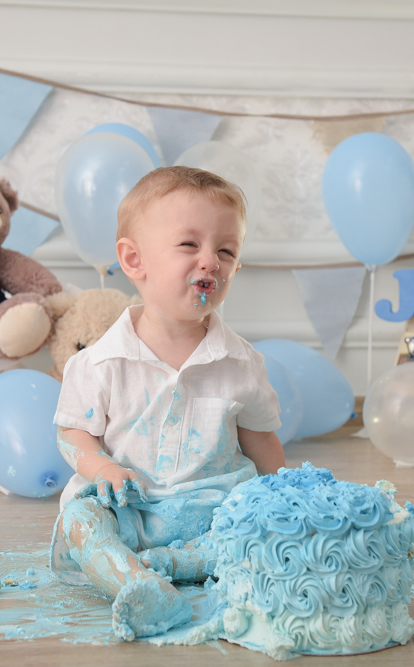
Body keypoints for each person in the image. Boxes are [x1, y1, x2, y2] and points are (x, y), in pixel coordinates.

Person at [50, 166, 285, 641]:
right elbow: (74, 433)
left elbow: (261, 442)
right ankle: (135, 583)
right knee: (79, 519)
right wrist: (102, 469)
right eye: (189, 244)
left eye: (226, 251)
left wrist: (284, 498)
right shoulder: (99, 363)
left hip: (214, 510)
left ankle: (174, 563)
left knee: (260, 526)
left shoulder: (241, 363)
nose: (211, 262)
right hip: (130, 509)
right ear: (134, 260)